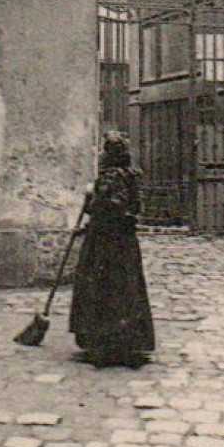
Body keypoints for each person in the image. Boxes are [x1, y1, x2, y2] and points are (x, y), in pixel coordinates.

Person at [69, 131, 155, 368]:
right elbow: (134, 207)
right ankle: (128, 341)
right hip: (125, 243)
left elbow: (107, 208)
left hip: (105, 243)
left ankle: (104, 343)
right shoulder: (132, 176)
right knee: (125, 288)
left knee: (102, 288)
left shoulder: (110, 177)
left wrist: (90, 199)